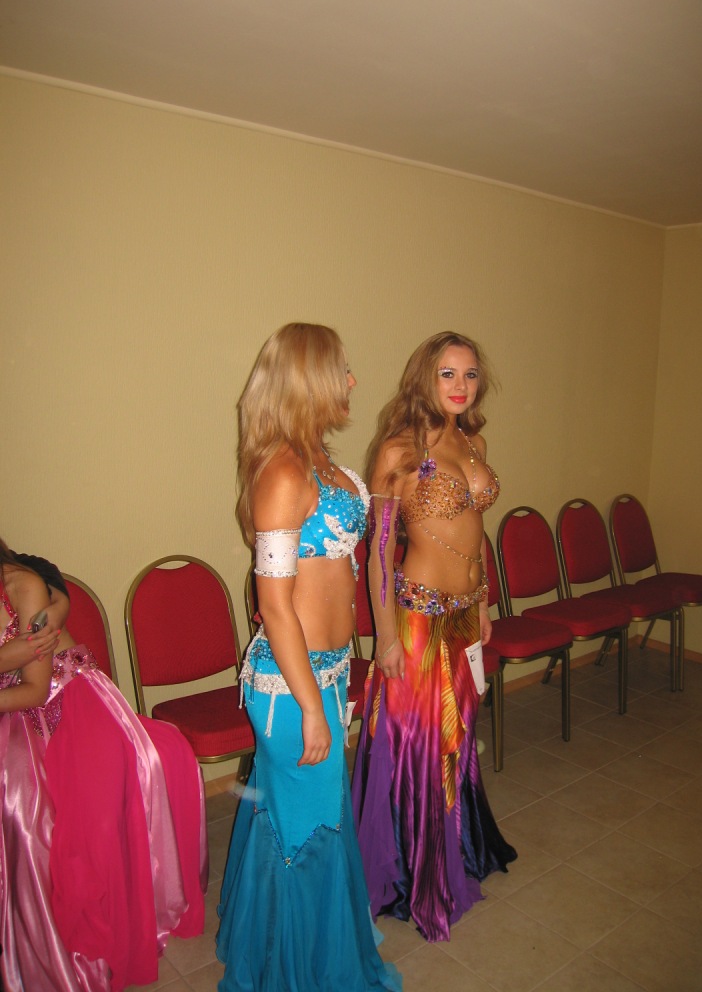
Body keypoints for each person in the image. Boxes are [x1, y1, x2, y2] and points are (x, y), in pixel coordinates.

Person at [216, 323, 401, 992]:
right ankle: (296, 974)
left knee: (303, 820)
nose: (351, 380)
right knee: (308, 829)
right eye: (340, 370)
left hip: (324, 671)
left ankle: (287, 950)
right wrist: (312, 709)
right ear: (308, 379)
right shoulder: (283, 473)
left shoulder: (321, 460)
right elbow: (275, 606)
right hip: (292, 687)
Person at [351, 331, 517, 943]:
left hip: (465, 613)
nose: (460, 385)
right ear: (425, 378)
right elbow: (377, 554)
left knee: (459, 736)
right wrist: (385, 638)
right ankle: (414, 872)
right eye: (448, 374)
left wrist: (483, 599)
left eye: (470, 374)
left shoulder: (472, 440)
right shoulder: (400, 449)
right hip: (417, 616)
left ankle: (459, 846)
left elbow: (477, 529)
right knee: (421, 745)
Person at [0, 541, 208, 992]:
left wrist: (44, 620)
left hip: (71, 697)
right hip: (19, 715)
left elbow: (37, 680)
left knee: (73, 810)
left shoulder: (24, 580)